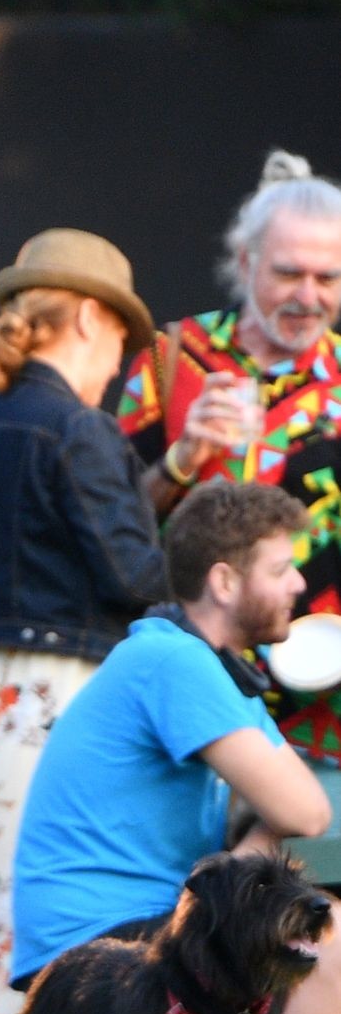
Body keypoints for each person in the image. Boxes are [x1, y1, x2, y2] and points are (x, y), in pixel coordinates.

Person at [10, 480, 341, 1014]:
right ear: (224, 581)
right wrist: (253, 864)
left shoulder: (211, 668)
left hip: (151, 915)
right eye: (281, 568)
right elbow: (305, 812)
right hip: (98, 939)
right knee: (325, 940)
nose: (300, 584)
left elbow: (278, 823)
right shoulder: (173, 662)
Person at [0, 230, 168, 1014]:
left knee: (7, 933)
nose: (125, 358)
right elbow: (132, 575)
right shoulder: (77, 428)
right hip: (73, 700)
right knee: (85, 937)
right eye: (123, 336)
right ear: (88, 315)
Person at [120, 151, 341, 762]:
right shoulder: (169, 360)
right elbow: (114, 522)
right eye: (288, 274)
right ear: (245, 264)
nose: (308, 296)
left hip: (323, 709)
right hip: (184, 696)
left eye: (328, 279)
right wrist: (181, 460)